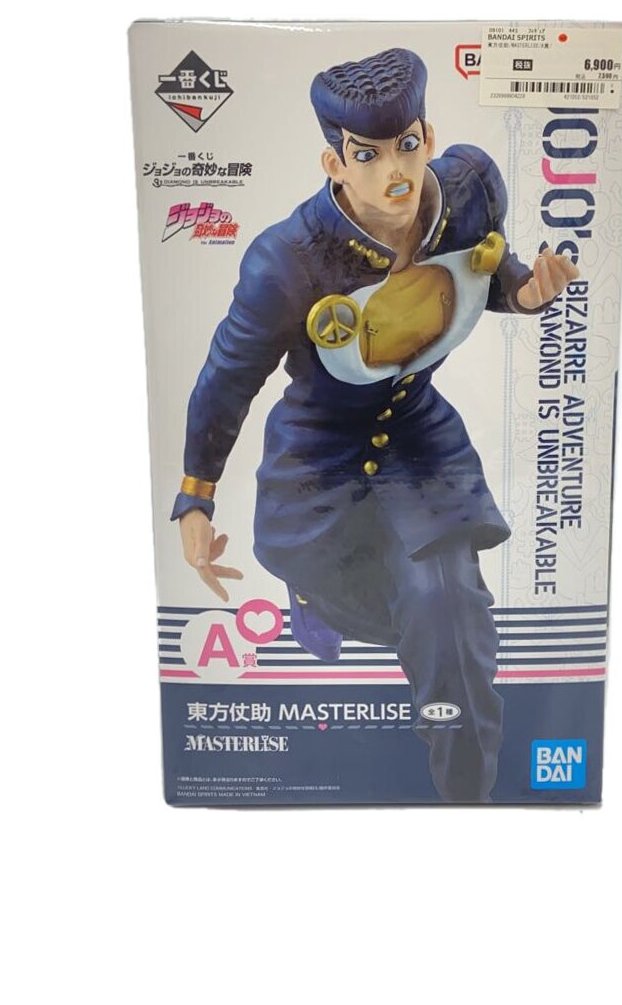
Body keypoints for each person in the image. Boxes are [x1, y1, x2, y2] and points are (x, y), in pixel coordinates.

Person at [172, 47, 577, 801]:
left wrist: (527, 293)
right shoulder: (287, 259)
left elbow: (489, 271)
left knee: (446, 606)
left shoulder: (466, 191)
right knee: (354, 591)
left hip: (421, 441)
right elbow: (227, 377)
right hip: (319, 455)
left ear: (429, 135)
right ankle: (314, 598)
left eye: (408, 145)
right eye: (368, 154)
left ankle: (469, 791)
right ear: (335, 162)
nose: (397, 170)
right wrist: (195, 498)